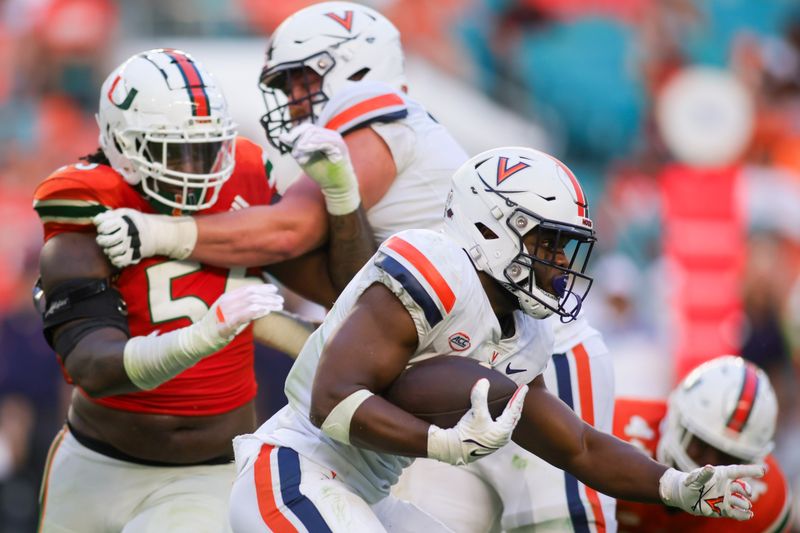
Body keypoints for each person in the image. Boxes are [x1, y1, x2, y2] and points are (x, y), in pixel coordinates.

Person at [226, 147, 762, 532]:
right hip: (297, 468)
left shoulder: (526, 332)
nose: (557, 266)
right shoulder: (436, 266)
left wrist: (673, 486)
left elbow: (579, 445)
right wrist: (441, 445)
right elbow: (331, 402)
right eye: (548, 245)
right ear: (492, 225)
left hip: (364, 490)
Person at [32, 49, 285, 532]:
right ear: (122, 147)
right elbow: (92, 366)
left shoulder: (247, 178)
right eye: (175, 150)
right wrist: (200, 337)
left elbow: (330, 274)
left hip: (205, 473)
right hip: (93, 462)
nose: (196, 168)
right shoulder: (89, 202)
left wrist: (337, 197)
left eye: (207, 148)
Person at [91, 1, 468, 310]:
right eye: (287, 89)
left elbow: (288, 233)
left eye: (303, 79)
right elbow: (345, 291)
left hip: (463, 331)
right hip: (447, 318)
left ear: (357, 67)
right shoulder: (403, 128)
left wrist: (153, 232)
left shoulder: (377, 111)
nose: (292, 104)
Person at [392, 314, 618, 533]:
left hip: (541, 356)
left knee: (556, 522)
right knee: (421, 522)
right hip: (441, 354)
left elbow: (585, 451)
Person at [614, 355, 793, 533]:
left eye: (728, 457)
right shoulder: (616, 432)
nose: (710, 466)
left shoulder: (767, 500)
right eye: (701, 444)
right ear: (675, 422)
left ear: (750, 460)